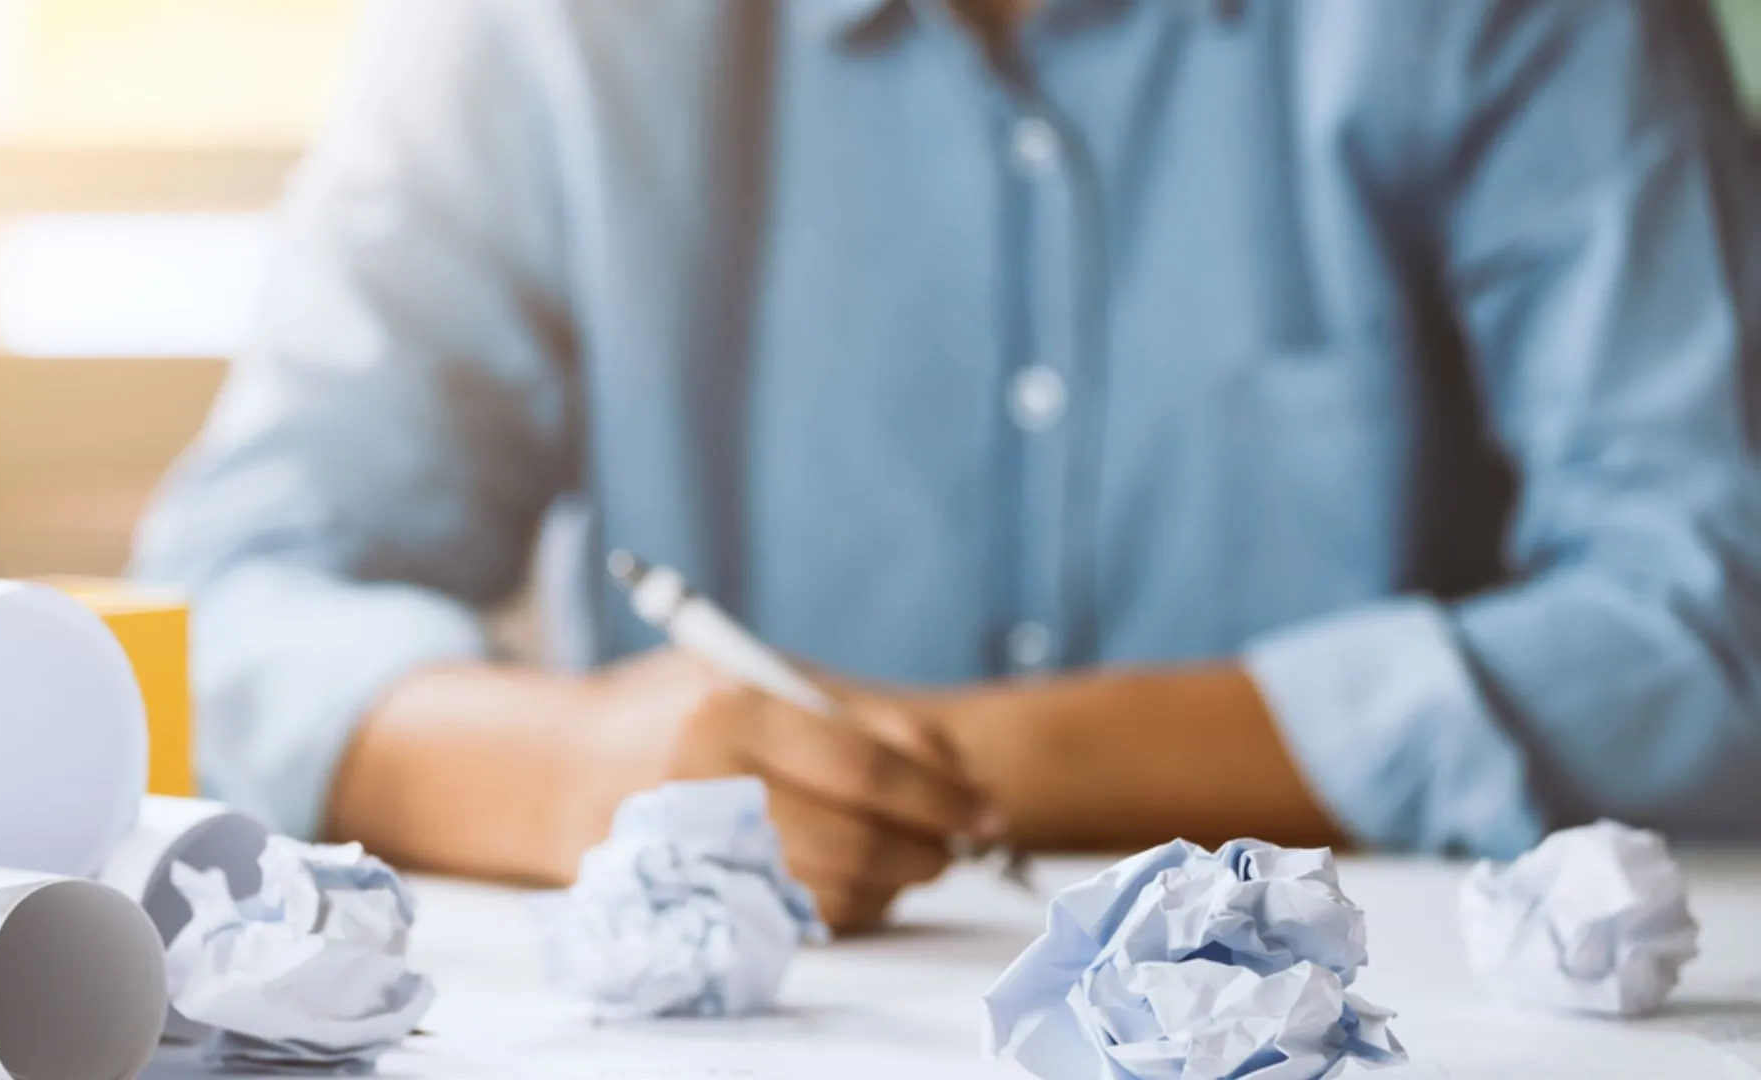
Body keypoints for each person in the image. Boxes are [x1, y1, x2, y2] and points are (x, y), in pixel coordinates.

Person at [133, 0, 1761, 931]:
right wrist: (570, 771)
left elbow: (1712, 610)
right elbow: (222, 615)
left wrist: (948, 765)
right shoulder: (534, 38)